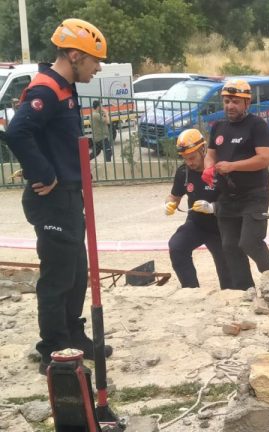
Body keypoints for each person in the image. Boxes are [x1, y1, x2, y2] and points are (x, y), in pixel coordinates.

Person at [5, 18, 114, 374]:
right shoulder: (47, 90)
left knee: (76, 271)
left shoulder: (66, 89)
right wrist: (45, 174)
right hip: (51, 198)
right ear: (73, 55)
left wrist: (75, 170)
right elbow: (18, 133)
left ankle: (72, 335)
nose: (98, 68)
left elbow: (54, 140)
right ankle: (52, 348)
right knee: (57, 276)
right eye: (93, 60)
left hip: (68, 195)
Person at [202, 79, 269, 289]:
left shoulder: (257, 125)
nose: (230, 106)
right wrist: (208, 168)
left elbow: (264, 159)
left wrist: (233, 166)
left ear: (247, 103)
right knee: (230, 246)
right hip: (226, 196)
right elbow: (210, 156)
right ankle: (246, 289)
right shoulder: (218, 126)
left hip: (254, 194)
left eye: (235, 101)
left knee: (249, 242)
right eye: (226, 101)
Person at [165, 128, 234, 289]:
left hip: (222, 227)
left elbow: (235, 201)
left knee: (228, 275)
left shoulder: (220, 169)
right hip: (197, 224)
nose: (189, 162)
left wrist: (213, 207)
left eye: (192, 157)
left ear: (203, 150)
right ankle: (191, 290)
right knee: (176, 246)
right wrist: (169, 204)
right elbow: (174, 196)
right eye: (185, 158)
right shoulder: (184, 172)